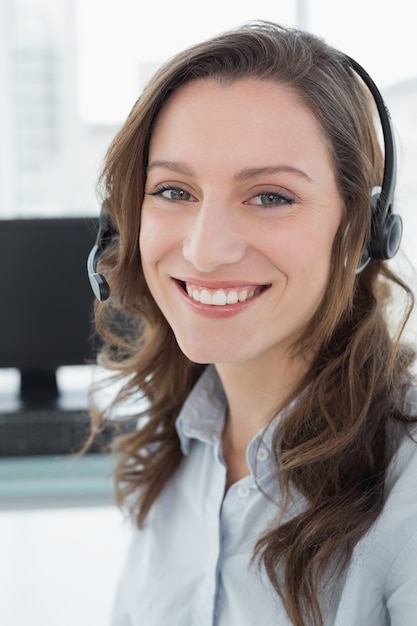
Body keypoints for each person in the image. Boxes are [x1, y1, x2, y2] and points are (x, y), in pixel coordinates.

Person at [87, 20, 417, 626]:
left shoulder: (407, 488)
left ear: (361, 232)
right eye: (174, 191)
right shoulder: (173, 450)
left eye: (270, 197)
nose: (206, 250)